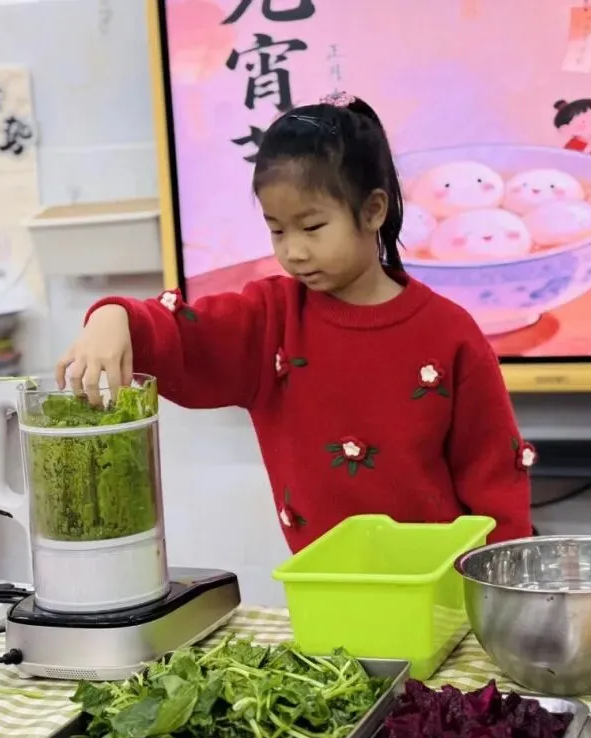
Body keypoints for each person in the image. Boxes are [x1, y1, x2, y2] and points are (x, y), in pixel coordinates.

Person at [57, 92, 535, 553]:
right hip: (321, 590)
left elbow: (494, 478)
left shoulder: (449, 332)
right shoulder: (271, 319)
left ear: (373, 210)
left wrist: (501, 585)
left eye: (312, 227)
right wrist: (113, 317)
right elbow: (180, 332)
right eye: (277, 230)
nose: (294, 251)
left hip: (442, 589)